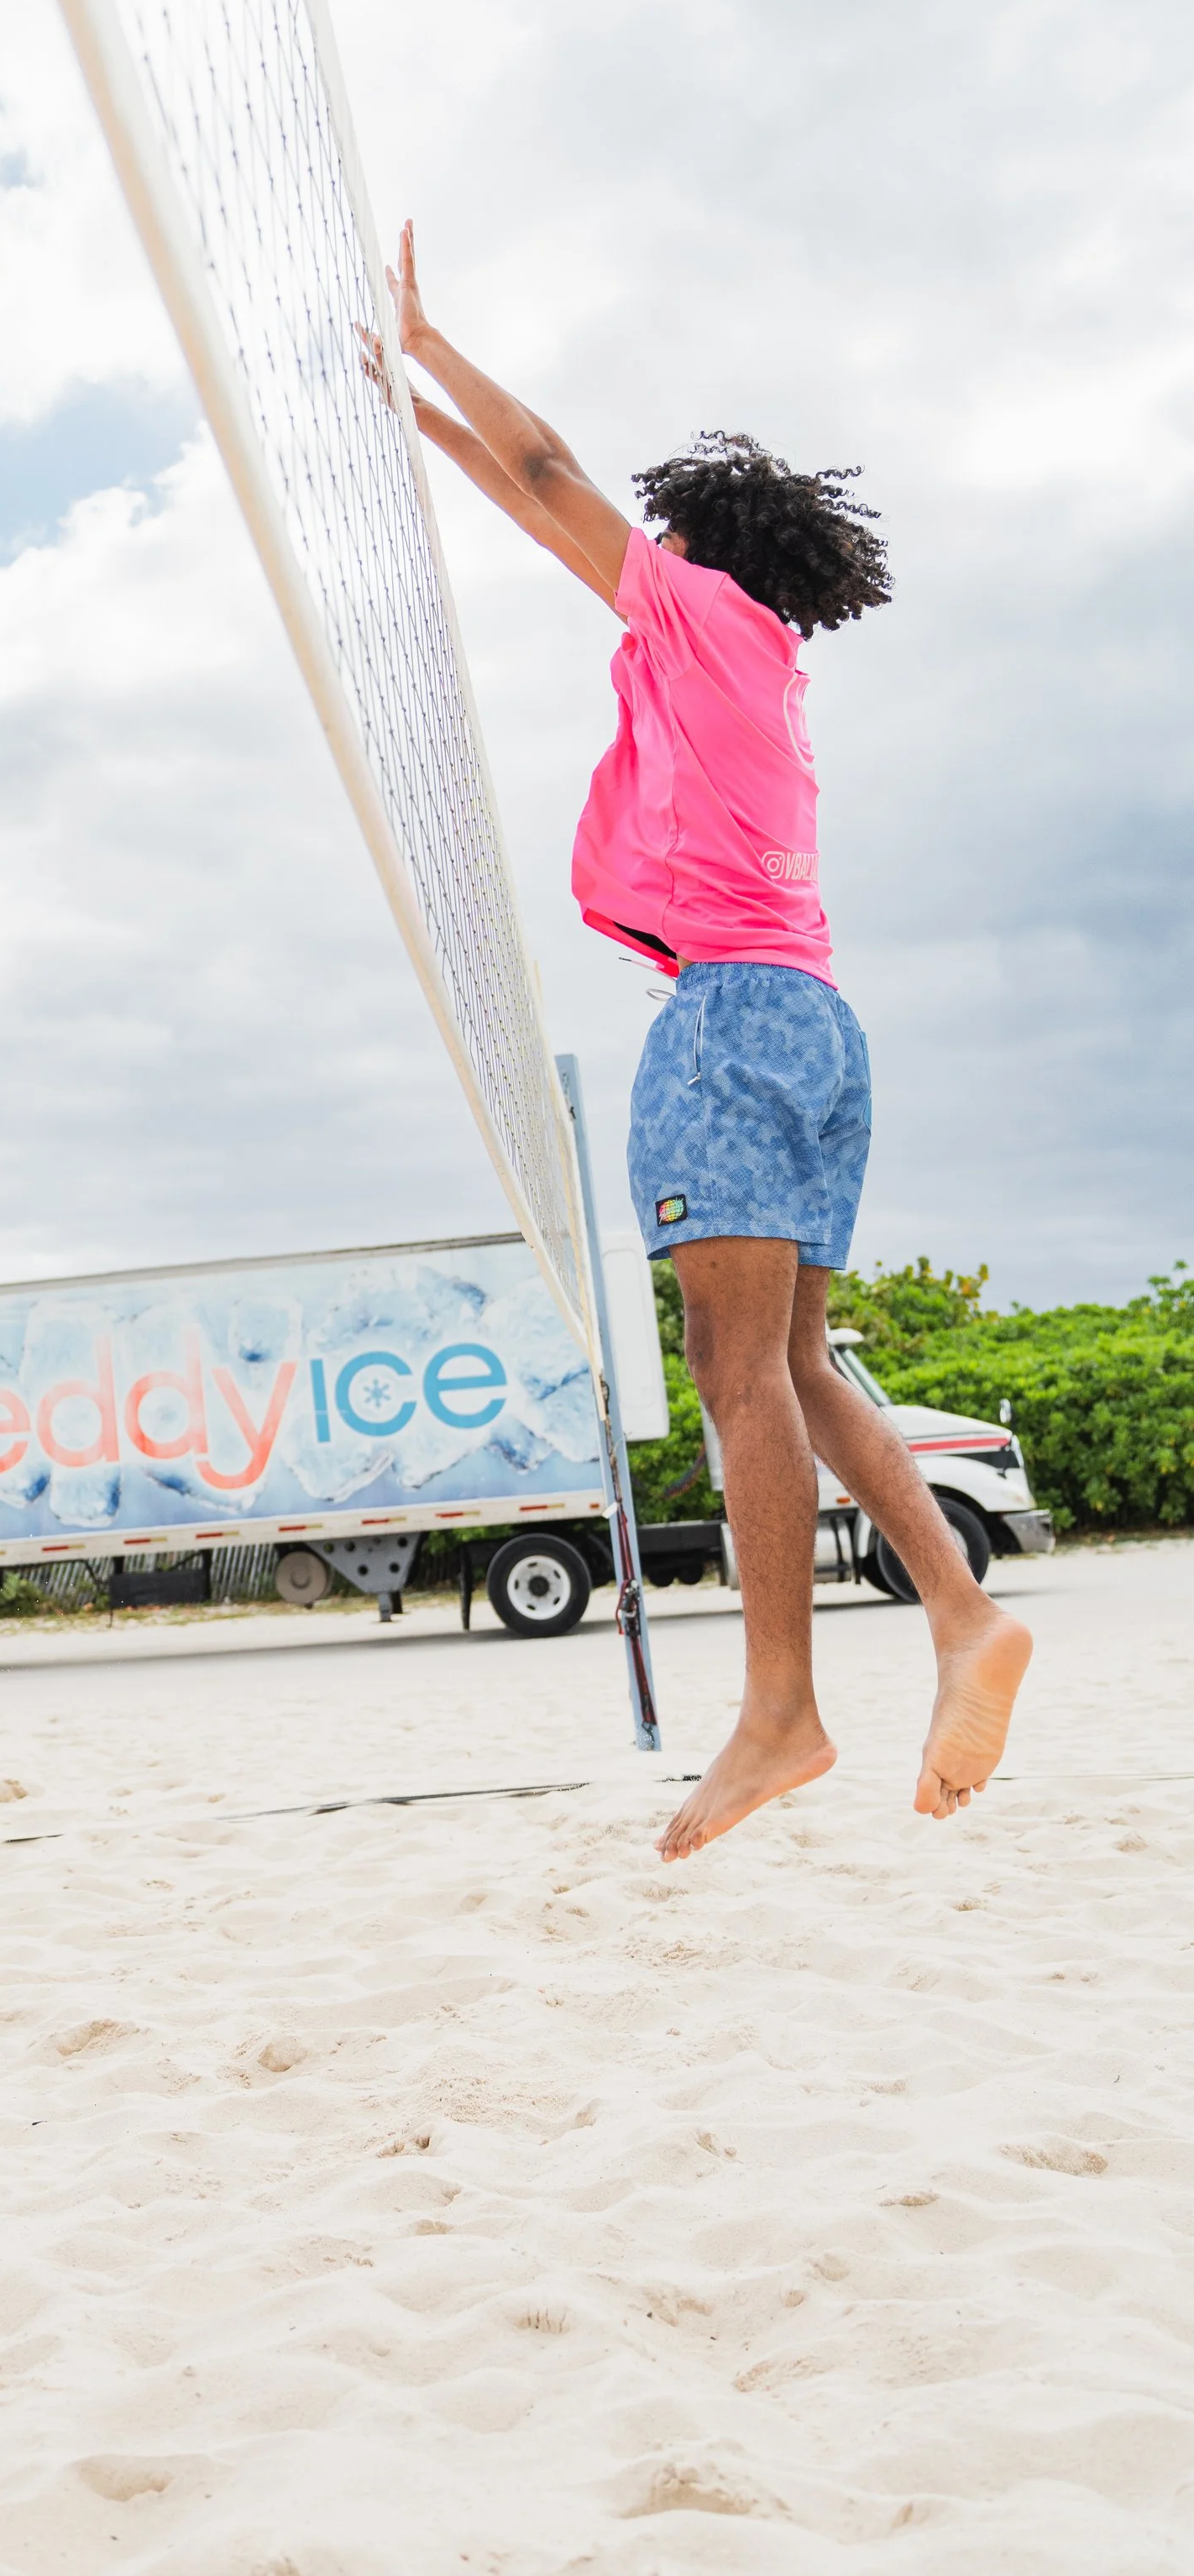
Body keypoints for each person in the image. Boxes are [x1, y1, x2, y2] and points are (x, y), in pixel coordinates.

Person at [374, 224, 1029, 1858]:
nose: (633, 546)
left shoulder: (697, 615)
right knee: (795, 1364)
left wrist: (427, 346)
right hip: (812, 1021)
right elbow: (536, 499)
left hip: (728, 1021)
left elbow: (551, 469)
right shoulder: (762, 666)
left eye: (655, 534)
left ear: (697, 546)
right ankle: (956, 1614)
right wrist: (408, 428)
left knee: (738, 1378)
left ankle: (779, 1715)